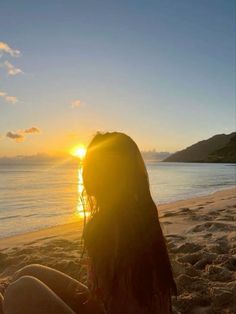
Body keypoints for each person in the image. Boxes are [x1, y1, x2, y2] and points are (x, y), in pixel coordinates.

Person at [1, 132, 176, 314]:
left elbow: (121, 304)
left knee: (20, 291)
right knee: (29, 272)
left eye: (89, 164)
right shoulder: (140, 214)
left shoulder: (110, 228)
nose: (84, 170)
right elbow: (107, 297)